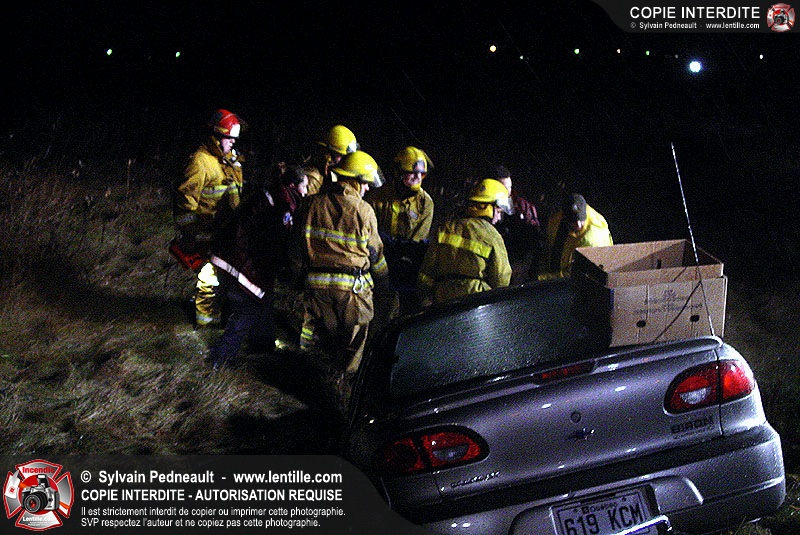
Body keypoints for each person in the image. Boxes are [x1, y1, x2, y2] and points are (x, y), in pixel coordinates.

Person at [289, 150, 389, 377]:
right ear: (355, 181)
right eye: (365, 184)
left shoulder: (311, 204)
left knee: (316, 344)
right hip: (353, 292)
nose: (367, 189)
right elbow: (375, 254)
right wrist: (384, 282)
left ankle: (308, 381)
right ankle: (342, 386)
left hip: (316, 289)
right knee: (352, 349)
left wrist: (296, 281)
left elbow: (295, 250)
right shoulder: (363, 211)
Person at [173, 109, 245, 327]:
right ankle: (206, 323)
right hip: (206, 233)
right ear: (216, 137)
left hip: (225, 233)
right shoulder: (200, 162)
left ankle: (218, 317)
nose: (233, 141)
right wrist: (191, 234)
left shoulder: (228, 162)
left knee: (226, 278)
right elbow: (186, 201)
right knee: (210, 278)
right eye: (228, 137)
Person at [207, 183, 285, 370]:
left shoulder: (263, 201)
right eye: (304, 187)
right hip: (240, 264)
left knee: (256, 304)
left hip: (235, 262)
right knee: (247, 309)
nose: (306, 191)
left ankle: (260, 348)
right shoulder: (269, 207)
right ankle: (220, 358)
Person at [417, 178, 512, 305]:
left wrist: (424, 295)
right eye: (499, 212)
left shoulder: (445, 228)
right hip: (476, 301)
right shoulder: (492, 236)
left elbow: (427, 270)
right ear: (486, 207)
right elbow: (501, 278)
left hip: (442, 299)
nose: (499, 217)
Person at [367, 146, 435, 320]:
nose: (418, 177)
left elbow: (417, 242)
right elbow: (370, 232)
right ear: (398, 172)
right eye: (412, 173)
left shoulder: (425, 203)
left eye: (422, 174)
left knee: (408, 315)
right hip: (378, 262)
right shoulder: (377, 196)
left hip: (407, 266)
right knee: (379, 313)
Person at [538, 192, 613, 280]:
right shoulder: (556, 219)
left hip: (589, 278)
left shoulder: (592, 238)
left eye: (581, 219)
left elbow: (577, 274)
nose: (578, 225)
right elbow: (548, 247)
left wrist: (542, 279)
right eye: (573, 221)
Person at [488, 164, 543, 284]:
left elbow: (535, 240)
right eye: (503, 188)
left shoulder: (523, 208)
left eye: (509, 187)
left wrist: (524, 265)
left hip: (518, 267)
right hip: (493, 266)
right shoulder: (483, 208)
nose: (508, 192)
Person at [303, 125, 359, 196]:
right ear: (328, 155)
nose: (346, 160)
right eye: (341, 156)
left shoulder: (330, 173)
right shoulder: (312, 179)